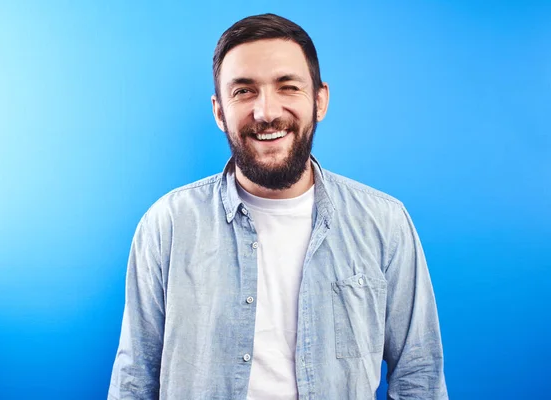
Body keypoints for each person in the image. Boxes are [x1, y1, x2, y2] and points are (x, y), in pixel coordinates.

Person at [108, 13, 448, 400]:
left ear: (319, 101)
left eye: (287, 87)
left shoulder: (384, 223)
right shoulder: (167, 225)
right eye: (244, 91)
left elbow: (419, 377)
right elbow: (134, 380)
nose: (266, 111)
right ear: (220, 112)